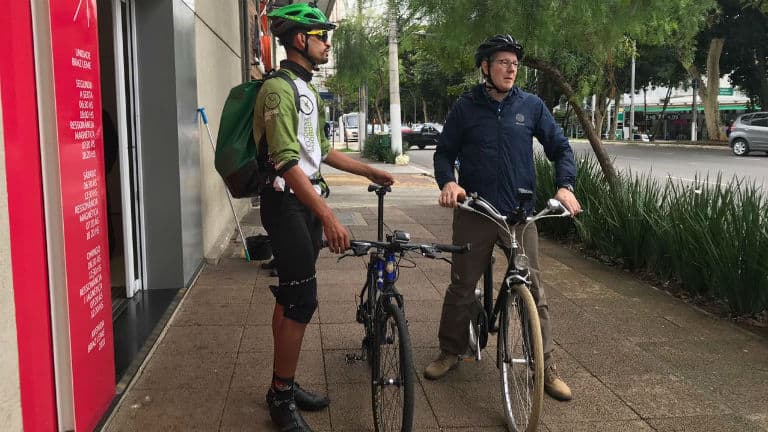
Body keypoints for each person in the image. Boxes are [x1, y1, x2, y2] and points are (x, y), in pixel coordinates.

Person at [254, 4, 395, 431]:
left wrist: (367, 169)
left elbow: (318, 152)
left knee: (291, 296)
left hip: (304, 202)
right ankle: (281, 398)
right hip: (287, 203)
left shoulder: (306, 89)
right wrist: (329, 217)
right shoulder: (278, 90)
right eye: (321, 35)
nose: (327, 43)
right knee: (302, 301)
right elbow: (285, 162)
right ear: (300, 40)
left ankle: (283, 383)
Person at [427, 34, 582, 402]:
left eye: (515, 64)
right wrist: (449, 182)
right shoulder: (465, 108)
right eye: (502, 62)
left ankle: (545, 366)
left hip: (519, 214)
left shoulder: (531, 106)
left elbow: (559, 148)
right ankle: (450, 351)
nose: (510, 69)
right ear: (485, 66)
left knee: (534, 291)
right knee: (462, 287)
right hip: (477, 211)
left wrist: (566, 186)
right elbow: (444, 153)